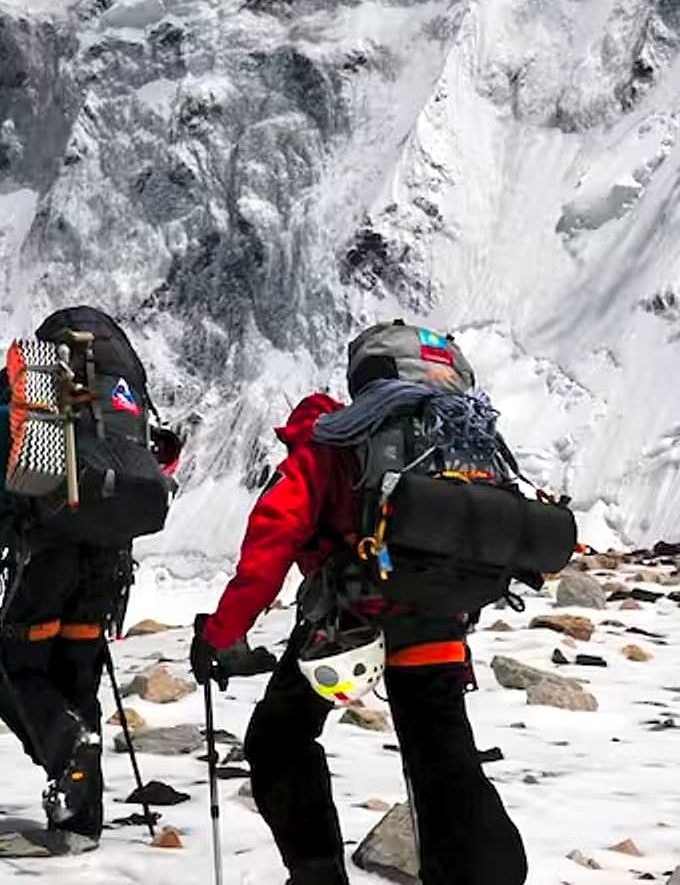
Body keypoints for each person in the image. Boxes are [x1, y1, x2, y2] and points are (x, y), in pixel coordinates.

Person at [190, 334, 532, 885]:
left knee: (280, 740)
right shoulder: (455, 438)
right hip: (439, 620)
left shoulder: (330, 439)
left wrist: (221, 633)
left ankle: (317, 875)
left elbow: (271, 541)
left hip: (349, 624)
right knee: (443, 760)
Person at [0, 307, 171, 853]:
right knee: (78, 679)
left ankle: (66, 746)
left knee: (15, 667)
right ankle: (80, 820)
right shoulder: (125, 407)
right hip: (109, 565)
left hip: (47, 560)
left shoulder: (34, 406)